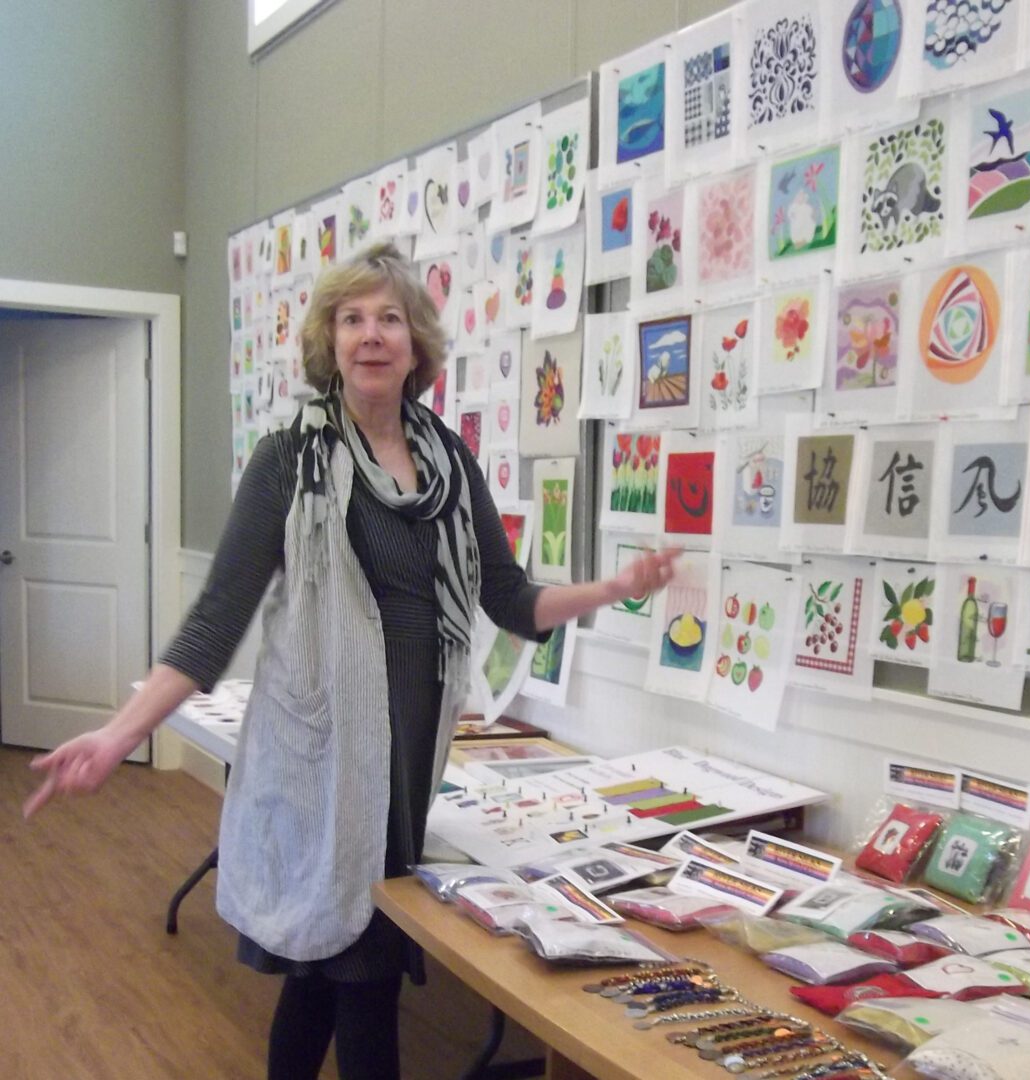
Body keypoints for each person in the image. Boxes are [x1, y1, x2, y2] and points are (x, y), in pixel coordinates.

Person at [23, 242, 678, 1080]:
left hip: (409, 760)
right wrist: (118, 735)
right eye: (352, 318)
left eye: (390, 318)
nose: (372, 335)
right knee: (361, 980)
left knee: (326, 974)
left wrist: (613, 585)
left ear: (416, 343)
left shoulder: (448, 458)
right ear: (329, 341)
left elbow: (511, 600)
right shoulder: (289, 460)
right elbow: (214, 624)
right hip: (321, 763)